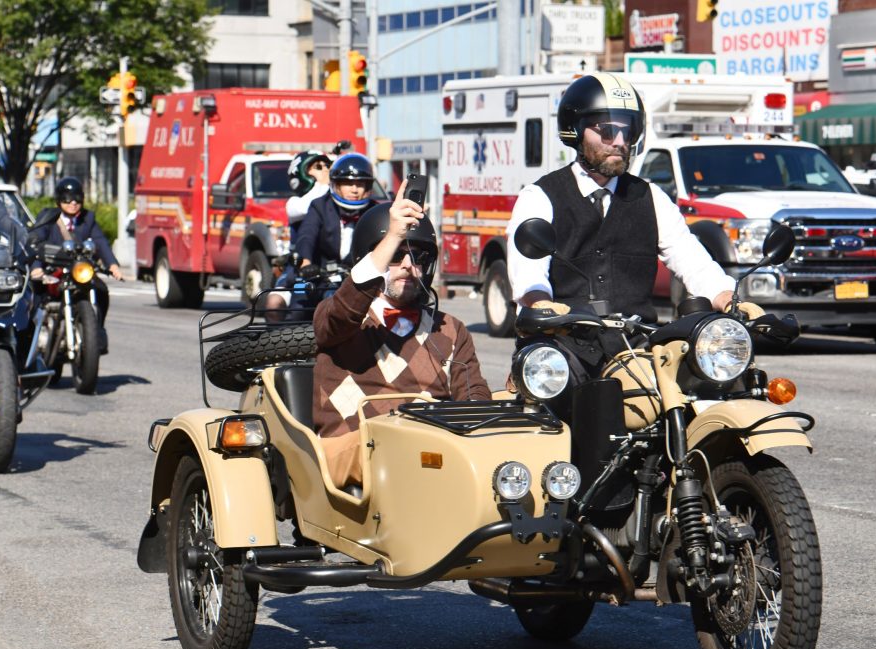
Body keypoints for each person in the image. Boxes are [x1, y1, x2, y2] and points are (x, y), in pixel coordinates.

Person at [505, 72, 744, 381]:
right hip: (562, 350)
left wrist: (728, 298)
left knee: (705, 388)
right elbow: (528, 276)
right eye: (606, 131)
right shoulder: (539, 196)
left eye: (626, 130)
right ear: (575, 130)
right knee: (554, 405)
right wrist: (542, 305)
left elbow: (692, 260)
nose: (618, 142)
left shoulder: (650, 196)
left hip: (637, 348)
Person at [312, 185, 491, 492]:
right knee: (394, 450)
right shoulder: (341, 317)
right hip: (350, 447)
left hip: (431, 455)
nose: (409, 265)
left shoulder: (449, 328)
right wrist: (392, 235)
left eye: (418, 256)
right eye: (396, 256)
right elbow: (343, 313)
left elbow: (473, 398)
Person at [30, 177, 123, 352]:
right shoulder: (48, 217)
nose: (73, 202)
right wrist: (36, 267)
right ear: (59, 200)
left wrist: (112, 265)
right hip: (52, 270)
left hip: (78, 270)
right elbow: (36, 242)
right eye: (67, 198)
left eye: (77, 198)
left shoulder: (88, 219)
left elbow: (100, 242)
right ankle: (29, 337)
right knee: (34, 296)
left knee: (102, 291)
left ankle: (97, 331)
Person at [265, 149, 333, 319]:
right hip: (298, 270)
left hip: (331, 269)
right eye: (318, 166)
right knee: (274, 304)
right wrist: (323, 184)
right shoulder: (294, 203)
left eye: (327, 166)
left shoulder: (335, 201)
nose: (325, 170)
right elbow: (310, 206)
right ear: (302, 173)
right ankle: (276, 344)